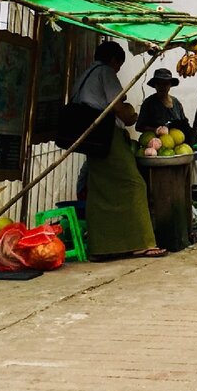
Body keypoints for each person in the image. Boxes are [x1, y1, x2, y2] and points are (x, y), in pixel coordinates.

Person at [73, 41, 166, 259]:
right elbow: (119, 108)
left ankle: (101, 246)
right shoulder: (105, 72)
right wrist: (131, 115)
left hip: (90, 137)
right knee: (134, 184)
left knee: (99, 189)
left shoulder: (86, 75)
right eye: (119, 65)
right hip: (106, 136)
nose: (118, 70)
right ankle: (141, 242)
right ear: (113, 60)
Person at [137, 68, 189, 135]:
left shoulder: (176, 103)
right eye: (158, 84)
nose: (162, 87)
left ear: (170, 85)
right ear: (155, 85)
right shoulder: (149, 103)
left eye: (165, 84)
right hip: (156, 142)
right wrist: (156, 130)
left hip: (178, 142)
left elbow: (184, 123)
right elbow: (139, 127)